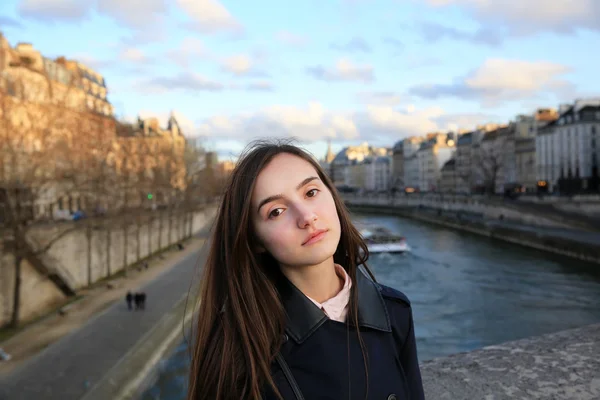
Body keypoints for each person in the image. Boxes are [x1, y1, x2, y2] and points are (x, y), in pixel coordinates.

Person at [187, 139, 424, 400]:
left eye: (311, 193)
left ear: (332, 195)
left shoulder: (395, 312)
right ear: (255, 241)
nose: (306, 216)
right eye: (276, 211)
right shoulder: (239, 347)